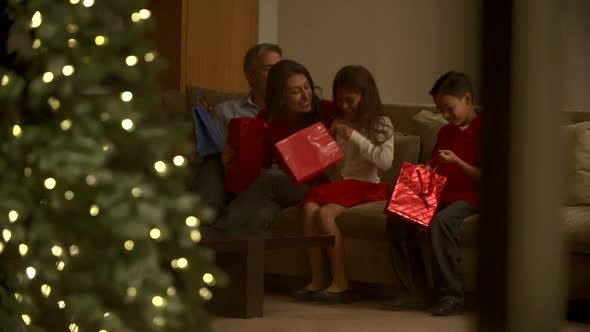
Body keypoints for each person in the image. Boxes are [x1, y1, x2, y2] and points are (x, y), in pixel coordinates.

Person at [292, 65, 395, 303]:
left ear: (365, 95)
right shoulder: (338, 121)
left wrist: (353, 135)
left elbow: (385, 161)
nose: (345, 106)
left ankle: (341, 282)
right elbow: (340, 167)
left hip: (367, 185)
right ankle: (317, 279)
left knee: (325, 214)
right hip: (344, 184)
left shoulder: (381, 122)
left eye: (350, 100)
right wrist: (322, 155)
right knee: (309, 208)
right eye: (340, 101)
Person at [382, 71, 481, 316]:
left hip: (471, 196)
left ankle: (452, 296)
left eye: (449, 108)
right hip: (439, 191)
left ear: (467, 99)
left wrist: (457, 162)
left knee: (442, 223)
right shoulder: (445, 132)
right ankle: (415, 291)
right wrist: (425, 170)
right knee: (397, 216)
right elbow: (436, 166)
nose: (446, 116)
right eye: (441, 111)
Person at [214, 59, 335, 230]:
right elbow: (258, 169)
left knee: (273, 179)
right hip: (290, 188)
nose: (306, 95)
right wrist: (233, 160)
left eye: (307, 87)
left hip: (327, 187)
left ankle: (214, 234)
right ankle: (228, 251)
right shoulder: (267, 119)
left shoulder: (328, 110)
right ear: (280, 96)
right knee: (264, 212)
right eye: (296, 91)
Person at [191, 43, 282, 217]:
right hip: (230, 181)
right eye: (269, 69)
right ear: (250, 76)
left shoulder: (290, 111)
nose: (277, 76)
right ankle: (206, 221)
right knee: (211, 162)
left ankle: (219, 227)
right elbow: (205, 156)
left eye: (280, 69)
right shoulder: (226, 111)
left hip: (266, 183)